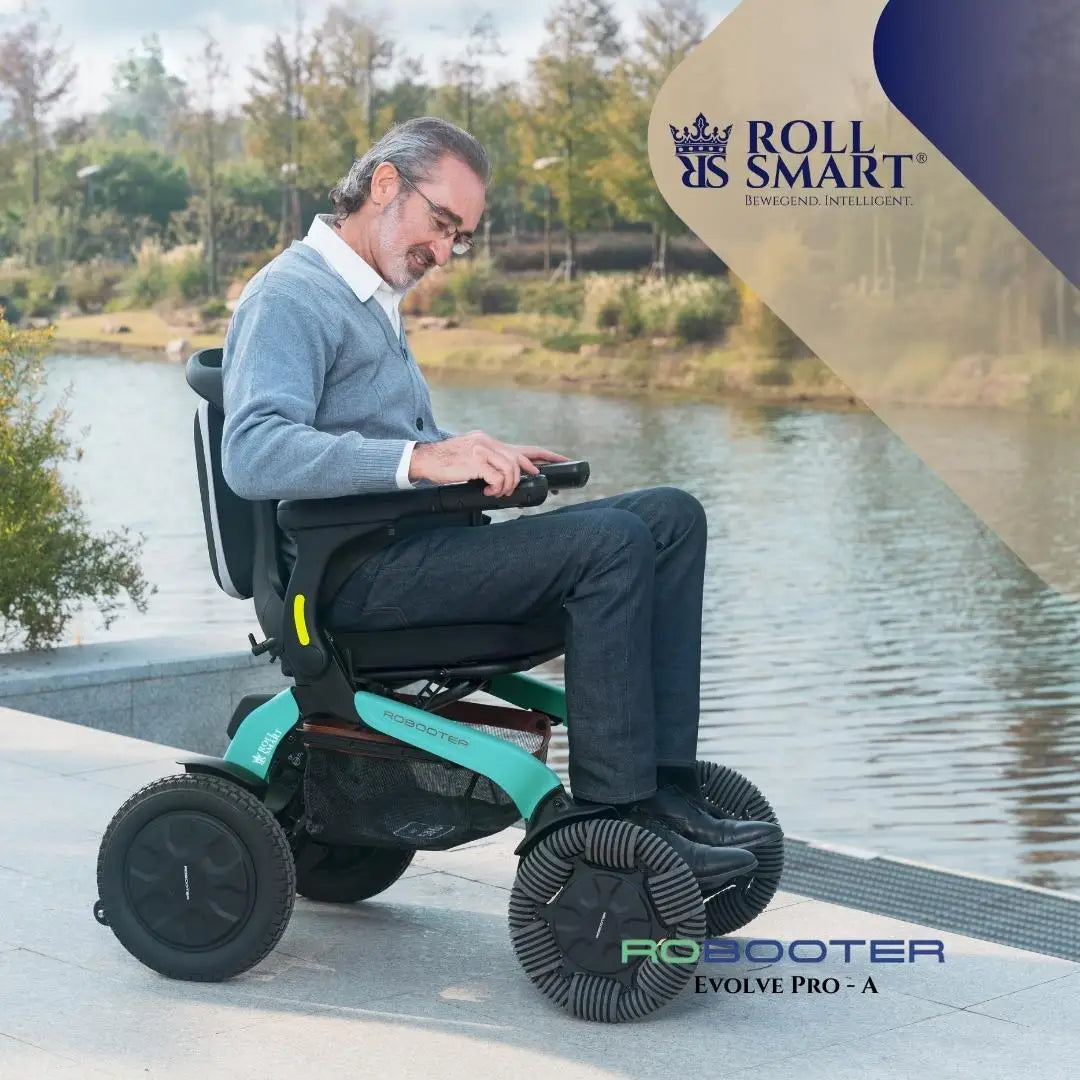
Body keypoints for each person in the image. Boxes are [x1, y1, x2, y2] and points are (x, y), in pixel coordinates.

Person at [221, 116, 781, 883]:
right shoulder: (291, 295)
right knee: (612, 545)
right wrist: (425, 459)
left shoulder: (369, 294)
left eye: (460, 237)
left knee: (670, 518)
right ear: (384, 184)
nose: (445, 251)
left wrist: (474, 452)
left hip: (411, 547)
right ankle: (616, 819)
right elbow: (254, 452)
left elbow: (382, 442)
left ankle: (668, 791)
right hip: (354, 575)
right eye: (441, 223)